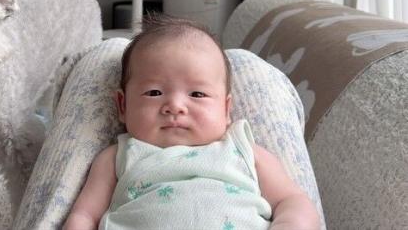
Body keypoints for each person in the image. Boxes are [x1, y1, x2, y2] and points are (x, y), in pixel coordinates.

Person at [64, 14, 320, 230]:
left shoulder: (245, 152)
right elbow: (84, 215)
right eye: (154, 93)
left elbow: (292, 200)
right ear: (123, 106)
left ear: (226, 108)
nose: (175, 106)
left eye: (197, 94)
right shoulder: (117, 157)